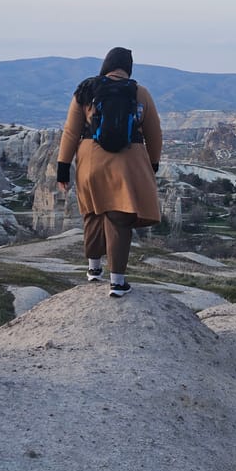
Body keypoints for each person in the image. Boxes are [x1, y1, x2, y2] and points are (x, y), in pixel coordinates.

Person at [56, 47, 162, 297]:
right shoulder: (139, 92)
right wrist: (152, 163)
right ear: (128, 67)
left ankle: (93, 270)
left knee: (93, 212)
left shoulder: (86, 90)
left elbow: (71, 131)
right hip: (126, 163)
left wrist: (63, 169)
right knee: (120, 218)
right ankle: (117, 282)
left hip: (90, 160)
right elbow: (154, 132)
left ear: (106, 64)